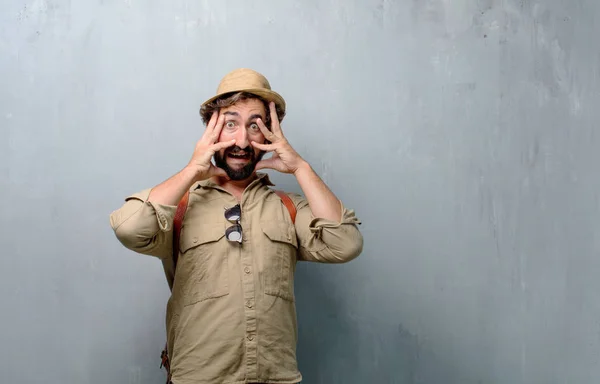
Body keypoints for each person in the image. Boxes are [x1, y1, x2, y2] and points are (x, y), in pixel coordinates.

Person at [109, 68, 364, 384]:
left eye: (255, 126)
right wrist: (192, 170)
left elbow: (345, 242)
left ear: (271, 134)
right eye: (230, 124)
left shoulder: (288, 207)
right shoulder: (179, 206)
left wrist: (300, 167)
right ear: (211, 131)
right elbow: (129, 228)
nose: (242, 140)